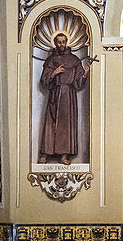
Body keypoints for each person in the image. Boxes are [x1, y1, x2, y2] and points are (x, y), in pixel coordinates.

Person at [38, 32, 90, 165]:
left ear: (66, 42)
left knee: (66, 126)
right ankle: (45, 154)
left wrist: (84, 74)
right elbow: (44, 81)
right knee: (50, 124)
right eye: (59, 42)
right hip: (55, 94)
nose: (61, 45)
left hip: (69, 96)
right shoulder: (51, 60)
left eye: (63, 42)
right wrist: (54, 73)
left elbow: (78, 82)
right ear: (55, 43)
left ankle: (64, 155)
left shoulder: (74, 60)